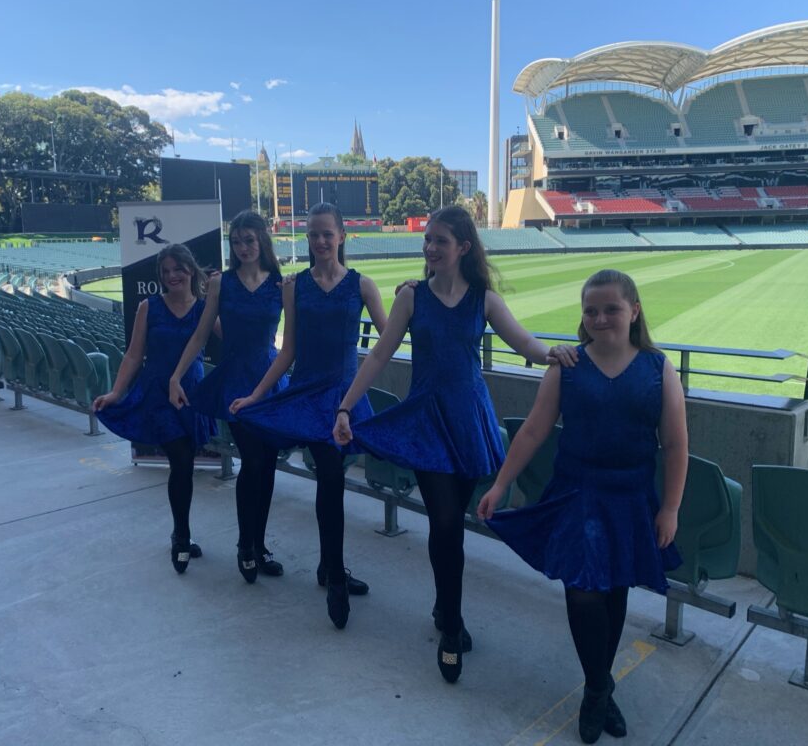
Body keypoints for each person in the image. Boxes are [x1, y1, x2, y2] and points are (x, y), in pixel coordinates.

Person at [332, 205, 562, 683]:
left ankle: (443, 605)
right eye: (428, 240)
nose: (430, 248)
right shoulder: (412, 298)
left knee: (452, 523)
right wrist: (345, 407)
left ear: (463, 247)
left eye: (440, 240)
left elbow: (526, 345)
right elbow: (379, 353)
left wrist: (556, 353)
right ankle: (452, 628)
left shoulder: (484, 299)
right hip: (428, 422)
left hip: (469, 421)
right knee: (443, 523)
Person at [477, 268, 687, 744]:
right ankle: (598, 687)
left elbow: (676, 445)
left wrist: (670, 508)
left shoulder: (658, 368)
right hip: (577, 495)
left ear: (634, 311)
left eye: (611, 308)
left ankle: (598, 686)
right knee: (583, 593)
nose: (600, 318)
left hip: (631, 498)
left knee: (613, 593)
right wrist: (501, 485)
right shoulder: (567, 366)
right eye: (591, 310)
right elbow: (533, 430)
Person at [229, 202, 388, 630]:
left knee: (333, 481)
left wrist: (417, 295)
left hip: (343, 397)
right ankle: (302, 562)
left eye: (326, 234)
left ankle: (331, 570)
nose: (319, 241)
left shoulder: (364, 285)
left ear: (341, 237)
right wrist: (256, 396)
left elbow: (388, 341)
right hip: (303, 395)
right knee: (304, 472)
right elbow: (288, 351)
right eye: (313, 234)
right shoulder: (293, 286)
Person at [169, 211, 287, 584]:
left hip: (268, 381)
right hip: (236, 381)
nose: (242, 247)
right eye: (236, 242)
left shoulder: (283, 284)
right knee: (252, 461)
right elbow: (201, 334)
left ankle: (259, 544)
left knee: (267, 465)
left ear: (262, 241)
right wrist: (175, 376)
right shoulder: (222, 284)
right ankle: (245, 545)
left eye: (249, 240)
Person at [93, 244, 218, 574]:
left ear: (191, 270)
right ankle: (181, 535)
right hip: (157, 395)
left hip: (192, 395)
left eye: (178, 269)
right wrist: (116, 392)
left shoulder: (206, 308)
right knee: (179, 458)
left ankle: (182, 531)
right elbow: (134, 355)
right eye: (165, 272)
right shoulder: (150, 307)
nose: (172, 276)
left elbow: (236, 339)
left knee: (186, 462)